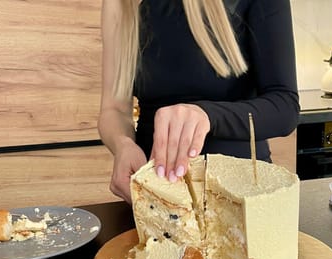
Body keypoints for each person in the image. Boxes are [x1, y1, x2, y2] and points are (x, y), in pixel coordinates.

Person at [98, 0, 299, 203]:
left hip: (244, 195)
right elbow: (113, 109)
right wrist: (122, 144)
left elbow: (284, 107)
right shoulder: (120, 4)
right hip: (158, 195)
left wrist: (207, 115)